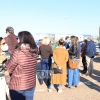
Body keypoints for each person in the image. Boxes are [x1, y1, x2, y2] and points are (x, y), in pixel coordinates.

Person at [4, 31, 37, 100]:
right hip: (31, 84)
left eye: (17, 38)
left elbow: (9, 69)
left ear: (22, 39)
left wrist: (6, 64)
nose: (17, 39)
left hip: (18, 85)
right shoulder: (34, 51)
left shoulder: (17, 52)